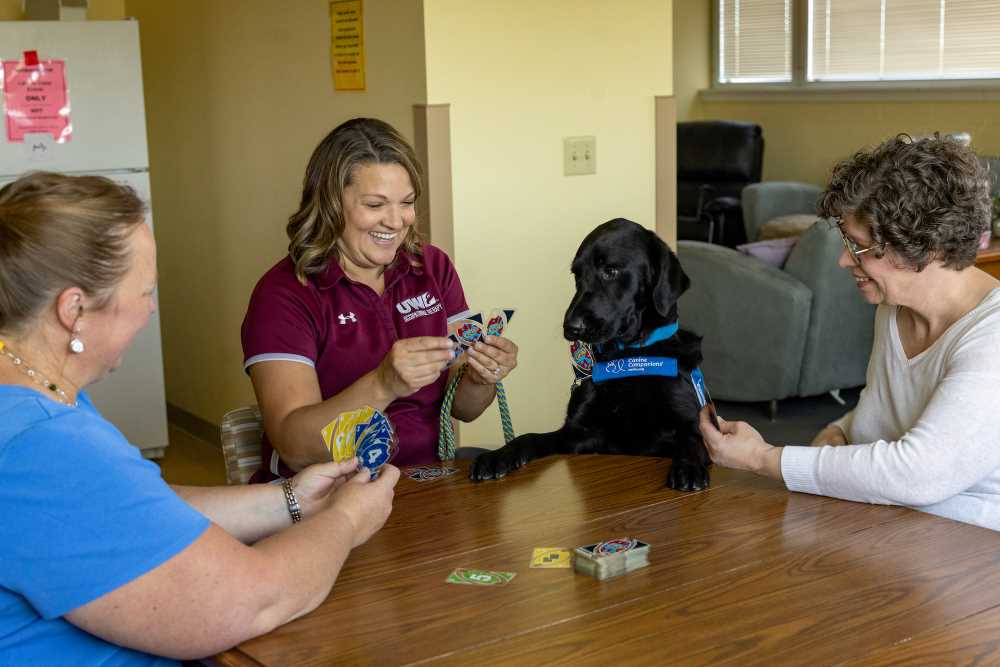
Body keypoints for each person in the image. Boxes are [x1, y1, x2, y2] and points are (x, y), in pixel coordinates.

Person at [0, 171, 399, 665]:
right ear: (75, 310)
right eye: (144, 292)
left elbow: (133, 507)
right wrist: (348, 519)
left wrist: (292, 500)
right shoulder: (42, 443)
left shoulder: (34, 392)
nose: (150, 311)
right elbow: (253, 599)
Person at [699, 134, 1000, 531]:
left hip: (972, 542)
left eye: (859, 247)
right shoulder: (894, 306)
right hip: (888, 520)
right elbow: (897, 408)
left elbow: (919, 474)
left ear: (926, 248)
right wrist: (842, 428)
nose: (844, 260)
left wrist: (762, 457)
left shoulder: (991, 336)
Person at [241, 117, 518, 481]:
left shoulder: (432, 267)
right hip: (328, 491)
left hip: (426, 479)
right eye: (375, 205)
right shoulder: (284, 294)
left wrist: (481, 377)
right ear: (331, 204)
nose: (396, 221)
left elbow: (464, 409)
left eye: (407, 203)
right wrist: (383, 384)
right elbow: (294, 446)